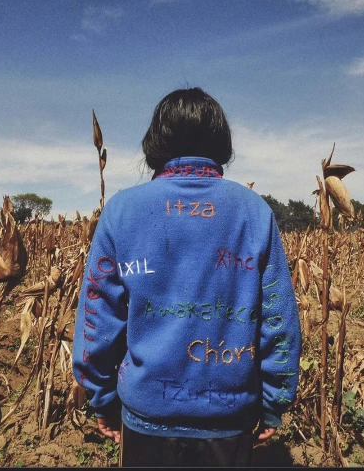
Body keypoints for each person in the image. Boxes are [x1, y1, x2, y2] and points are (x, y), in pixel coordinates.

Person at [70, 88, 301, 467]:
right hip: (230, 419)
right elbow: (279, 321)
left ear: (155, 141)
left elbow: (97, 321)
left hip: (146, 418)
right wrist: (275, 402)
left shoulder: (123, 212)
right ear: (221, 140)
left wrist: (102, 398)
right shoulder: (254, 212)